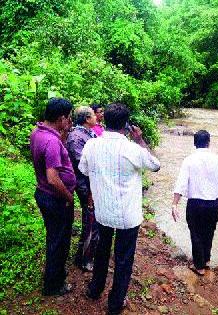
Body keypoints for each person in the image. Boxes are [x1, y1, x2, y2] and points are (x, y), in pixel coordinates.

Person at [78, 103, 160, 315]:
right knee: (123, 258)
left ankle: (95, 289)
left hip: (103, 211)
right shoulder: (132, 148)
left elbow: (84, 170)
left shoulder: (91, 145)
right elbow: (155, 164)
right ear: (126, 125)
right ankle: (115, 304)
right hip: (127, 215)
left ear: (104, 121)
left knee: (102, 251)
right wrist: (140, 139)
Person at [172, 130, 218, 276]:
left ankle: (199, 266)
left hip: (195, 204)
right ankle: (206, 260)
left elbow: (181, 184)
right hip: (214, 204)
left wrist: (174, 204)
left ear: (195, 143)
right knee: (209, 232)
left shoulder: (189, 160)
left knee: (195, 233)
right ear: (209, 142)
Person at [30, 98, 76, 296]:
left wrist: (62, 136)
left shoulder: (38, 131)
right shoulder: (51, 142)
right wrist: (68, 197)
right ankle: (54, 285)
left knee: (54, 238)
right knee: (59, 242)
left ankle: (54, 277)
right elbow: (53, 178)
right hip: (55, 197)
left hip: (43, 194)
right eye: (69, 118)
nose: (70, 122)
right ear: (61, 118)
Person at [65, 106, 99, 272]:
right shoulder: (77, 137)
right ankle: (84, 258)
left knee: (93, 219)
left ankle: (88, 254)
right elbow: (82, 165)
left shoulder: (87, 133)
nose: (97, 117)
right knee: (91, 220)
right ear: (86, 118)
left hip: (90, 183)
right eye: (93, 115)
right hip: (85, 185)